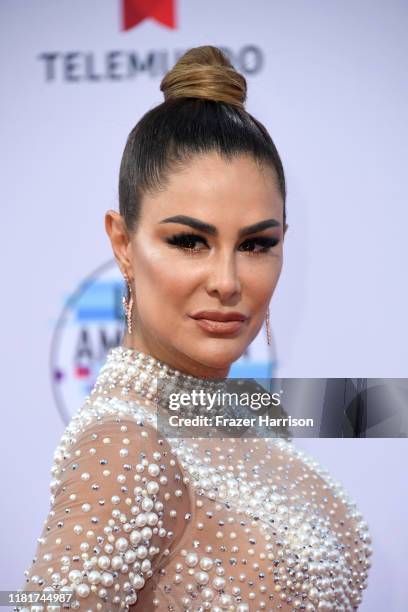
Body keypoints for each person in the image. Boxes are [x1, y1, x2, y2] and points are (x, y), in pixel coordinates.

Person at [18, 46, 372, 611]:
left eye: (258, 244)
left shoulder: (246, 416)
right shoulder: (126, 444)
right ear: (123, 244)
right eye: (189, 242)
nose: (228, 281)